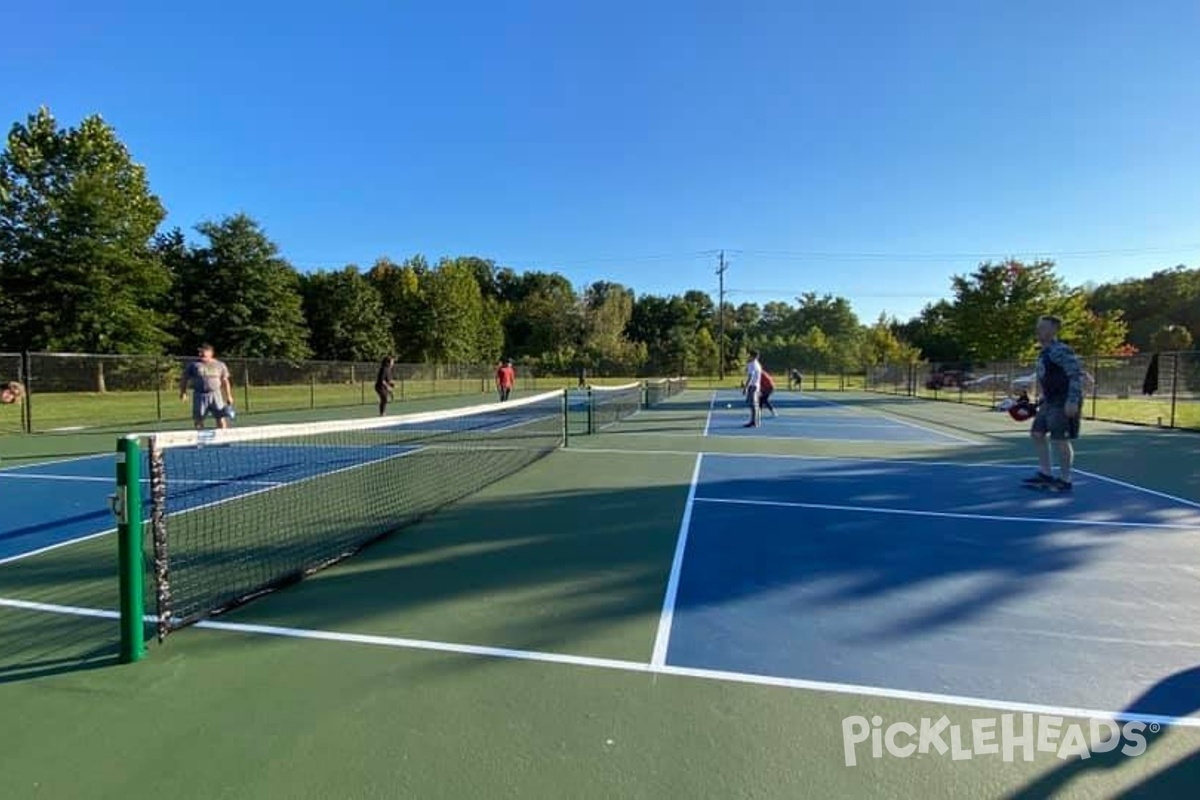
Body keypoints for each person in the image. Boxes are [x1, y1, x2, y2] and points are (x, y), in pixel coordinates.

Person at [1022, 316, 1084, 492]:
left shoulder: (1062, 350)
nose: (1038, 330)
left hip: (1063, 400)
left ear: (1054, 330)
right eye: (1038, 326)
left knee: (1059, 439)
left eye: (1042, 327)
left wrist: (1072, 401)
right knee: (1037, 433)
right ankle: (1045, 473)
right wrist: (1040, 397)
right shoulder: (1043, 352)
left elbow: (1075, 376)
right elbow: (1045, 377)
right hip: (1049, 401)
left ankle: (1065, 480)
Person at [180, 344, 235, 430]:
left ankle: (223, 440)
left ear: (211, 353)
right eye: (200, 352)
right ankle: (200, 441)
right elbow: (184, 379)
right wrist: (183, 392)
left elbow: (225, 381)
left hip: (216, 395)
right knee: (198, 419)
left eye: (203, 352)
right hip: (199, 395)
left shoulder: (220, 365)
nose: (201, 354)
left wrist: (229, 396)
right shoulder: (193, 365)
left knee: (220, 417)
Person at [743, 350, 763, 428]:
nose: (748, 356)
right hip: (756, 386)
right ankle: (754, 421)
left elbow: (751, 377)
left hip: (753, 387)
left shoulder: (752, 364)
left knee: (753, 405)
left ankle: (754, 422)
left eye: (749, 355)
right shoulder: (757, 364)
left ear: (752, 356)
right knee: (753, 404)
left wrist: (746, 387)